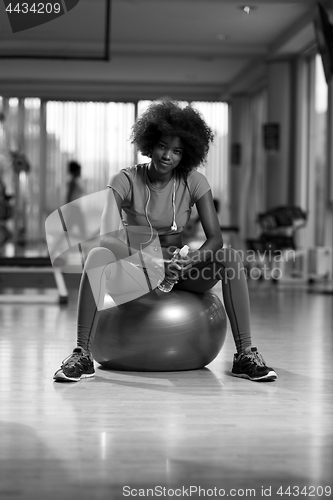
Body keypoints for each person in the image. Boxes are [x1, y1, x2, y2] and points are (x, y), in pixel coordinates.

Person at [53, 98, 277, 383]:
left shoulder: (194, 181)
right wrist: (154, 262)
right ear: (150, 144)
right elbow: (107, 238)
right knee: (97, 255)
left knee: (230, 257)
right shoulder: (125, 179)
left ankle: (245, 354)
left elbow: (215, 240)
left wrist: (187, 262)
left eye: (177, 151)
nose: (167, 156)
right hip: (136, 270)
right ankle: (82, 355)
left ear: (186, 155)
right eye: (162, 146)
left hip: (179, 270)